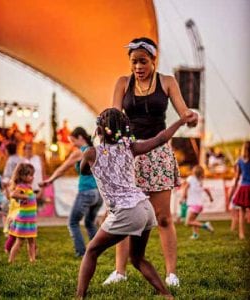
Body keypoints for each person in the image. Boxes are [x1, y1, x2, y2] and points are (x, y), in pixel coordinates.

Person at [104, 37, 198, 286]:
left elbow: (184, 112)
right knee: (125, 214)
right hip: (129, 154)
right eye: (134, 62)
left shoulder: (167, 82)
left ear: (153, 60)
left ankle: (171, 274)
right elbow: (114, 117)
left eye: (143, 61)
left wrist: (192, 118)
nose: (138, 67)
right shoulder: (123, 83)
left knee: (163, 216)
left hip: (158, 154)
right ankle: (120, 272)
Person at [76, 108, 192, 298]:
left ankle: (79, 297)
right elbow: (161, 138)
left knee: (91, 251)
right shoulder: (130, 148)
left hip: (125, 211)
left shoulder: (90, 153)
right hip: (145, 208)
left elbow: (84, 171)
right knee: (137, 258)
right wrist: (181, 121)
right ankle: (167, 295)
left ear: (99, 129)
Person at [40, 127, 102, 257]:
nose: (72, 144)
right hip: (98, 193)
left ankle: (81, 252)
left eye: (73, 141)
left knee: (73, 222)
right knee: (89, 222)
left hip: (86, 191)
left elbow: (63, 168)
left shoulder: (80, 152)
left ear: (80, 138)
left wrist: (50, 180)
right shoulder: (96, 151)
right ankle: (97, 251)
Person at [8, 163, 38, 263]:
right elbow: (13, 194)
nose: (32, 177)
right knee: (19, 242)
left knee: (32, 241)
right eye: (30, 175)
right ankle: (11, 260)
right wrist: (23, 196)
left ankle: (32, 260)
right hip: (24, 220)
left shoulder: (28, 187)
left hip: (31, 220)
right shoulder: (21, 187)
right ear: (23, 176)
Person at [182, 165, 214, 239]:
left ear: (193, 172)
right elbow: (207, 190)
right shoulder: (201, 181)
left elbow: (185, 188)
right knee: (193, 220)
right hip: (199, 205)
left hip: (193, 204)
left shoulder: (190, 179)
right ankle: (195, 234)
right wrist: (211, 198)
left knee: (188, 222)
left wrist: (183, 197)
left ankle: (205, 225)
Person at [229, 141, 250, 239]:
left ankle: (241, 234)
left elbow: (237, 177)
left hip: (243, 187)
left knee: (242, 212)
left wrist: (233, 191)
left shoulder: (240, 161)